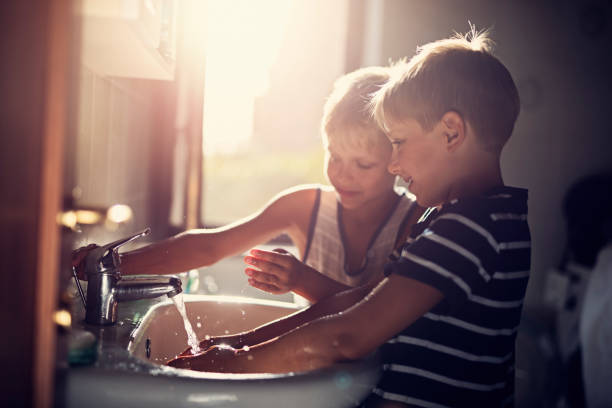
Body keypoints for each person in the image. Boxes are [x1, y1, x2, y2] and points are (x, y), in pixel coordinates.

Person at [168, 26, 531, 408]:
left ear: (452, 133)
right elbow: (357, 303)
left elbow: (348, 335)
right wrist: (241, 343)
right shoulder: (462, 220)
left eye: (399, 143)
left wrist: (233, 366)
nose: (394, 164)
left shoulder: (468, 229)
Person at [73, 65, 422, 304]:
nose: (342, 174)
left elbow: (376, 311)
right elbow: (211, 247)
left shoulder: (415, 222)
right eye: (334, 156)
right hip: (306, 375)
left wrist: (302, 280)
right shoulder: (306, 207)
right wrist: (114, 263)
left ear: (398, 159)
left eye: (363, 164)